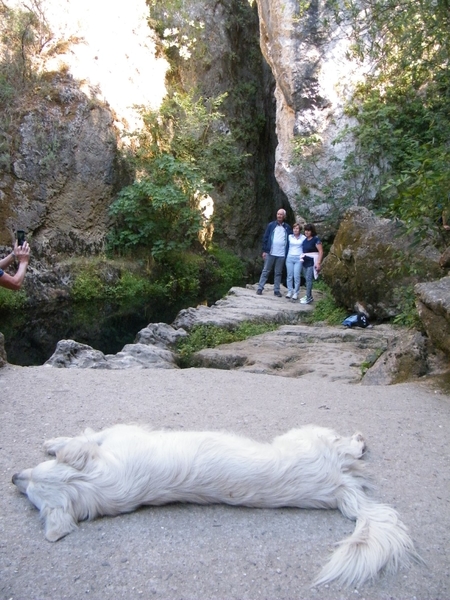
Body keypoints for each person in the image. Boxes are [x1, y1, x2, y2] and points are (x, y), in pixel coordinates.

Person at [256, 209, 292, 297]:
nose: (279, 216)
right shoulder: (271, 225)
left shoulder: (287, 227)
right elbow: (265, 237)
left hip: (281, 254)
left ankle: (276, 290)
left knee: (278, 272)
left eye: (281, 214)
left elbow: (290, 240)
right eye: (278, 214)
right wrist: (264, 250)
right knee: (266, 270)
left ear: (284, 216)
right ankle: (260, 288)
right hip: (270, 252)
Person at [299, 223, 323, 304]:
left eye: (308, 230)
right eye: (306, 230)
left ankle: (309, 297)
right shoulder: (305, 240)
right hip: (305, 260)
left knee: (309, 279)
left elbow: (320, 251)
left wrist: (318, 262)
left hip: (312, 261)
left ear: (312, 231)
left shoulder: (316, 240)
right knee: (306, 279)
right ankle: (308, 295)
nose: (307, 232)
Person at [285, 223, 305, 300]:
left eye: (297, 228)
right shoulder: (290, 236)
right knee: (289, 275)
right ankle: (290, 291)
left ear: (299, 230)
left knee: (296, 276)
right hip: (290, 257)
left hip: (298, 258)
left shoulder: (303, 238)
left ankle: (296, 292)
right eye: (294, 228)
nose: (295, 230)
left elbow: (305, 247)